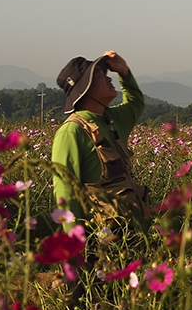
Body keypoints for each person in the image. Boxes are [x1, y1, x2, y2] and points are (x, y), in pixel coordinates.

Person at [51, 50, 149, 224]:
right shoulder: (71, 132)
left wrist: (124, 72)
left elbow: (135, 103)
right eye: (99, 76)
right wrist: (74, 237)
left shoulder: (111, 120)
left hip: (134, 232)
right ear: (85, 89)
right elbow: (66, 194)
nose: (109, 79)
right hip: (103, 235)